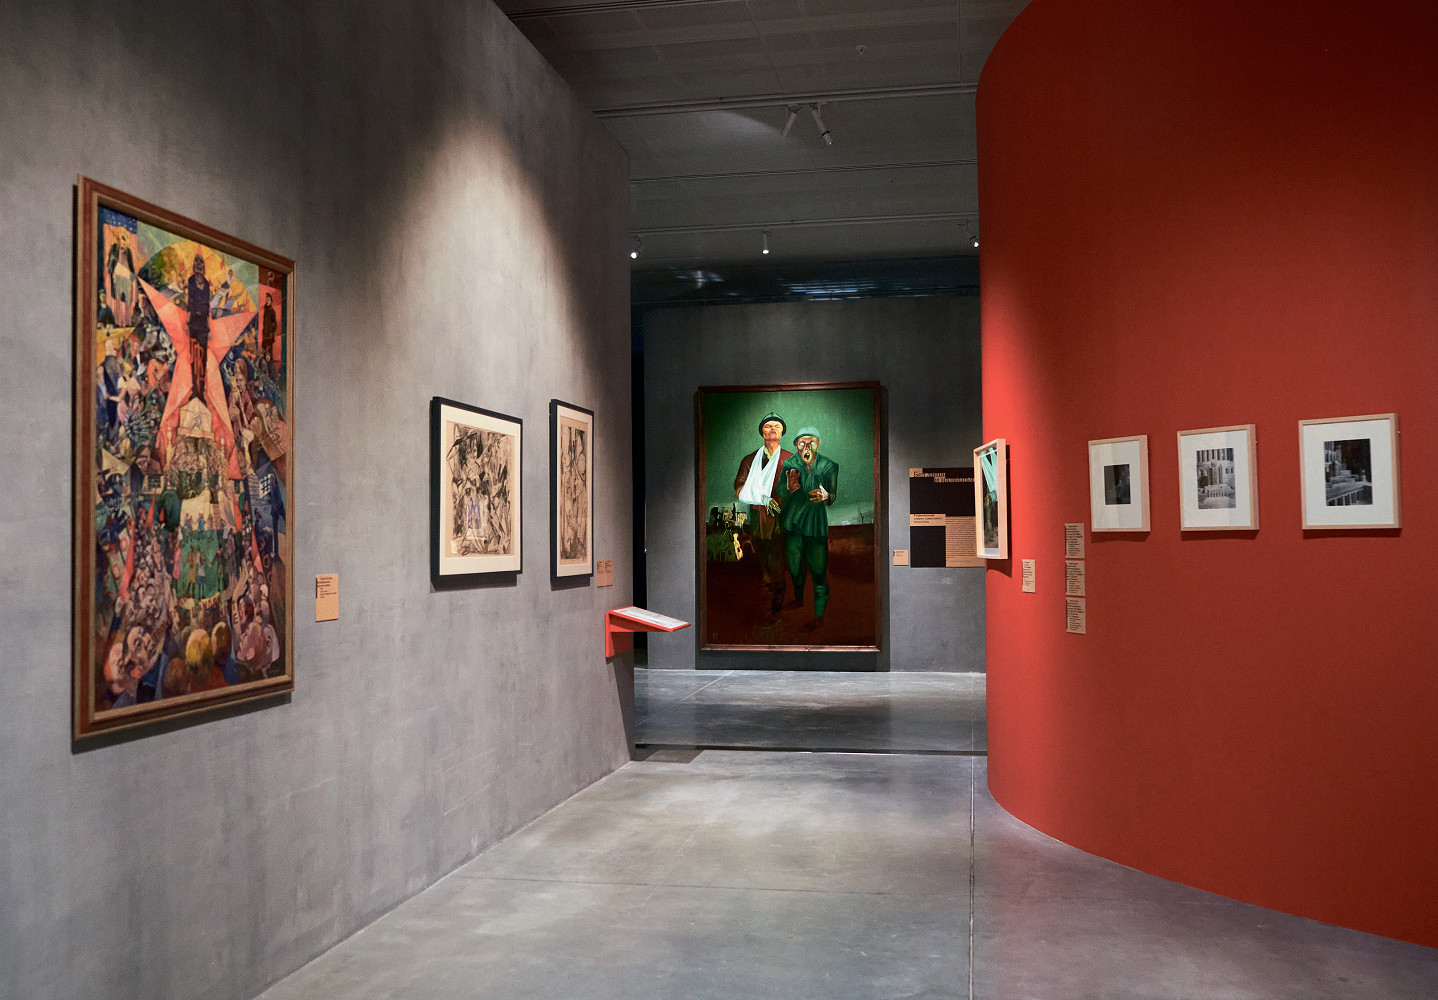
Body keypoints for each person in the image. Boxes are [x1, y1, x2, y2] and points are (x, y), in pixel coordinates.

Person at [733, 411, 792, 621]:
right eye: (768, 426)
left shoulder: (790, 459)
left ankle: (776, 608)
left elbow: (799, 488)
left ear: (782, 431)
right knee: (760, 548)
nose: (773, 429)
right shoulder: (750, 460)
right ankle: (767, 578)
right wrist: (762, 498)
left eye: (777, 426)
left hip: (780, 520)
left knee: (776, 559)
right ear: (762, 432)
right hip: (758, 517)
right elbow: (740, 488)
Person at [780, 426, 839, 631]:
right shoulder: (789, 464)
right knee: (795, 569)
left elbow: (833, 495)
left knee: (818, 573)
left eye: (811, 441)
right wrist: (788, 488)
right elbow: (780, 489)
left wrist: (827, 495)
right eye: (802, 442)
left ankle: (818, 617)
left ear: (818, 443)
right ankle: (798, 599)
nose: (806, 446)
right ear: (796, 445)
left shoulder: (829, 466)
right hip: (793, 526)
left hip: (815, 527)